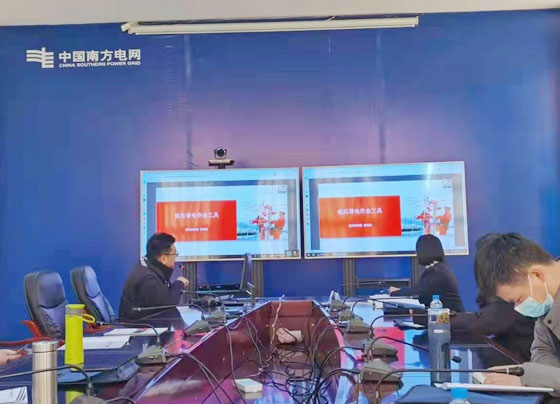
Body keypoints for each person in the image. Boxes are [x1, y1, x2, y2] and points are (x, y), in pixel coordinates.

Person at [473, 233, 560, 393]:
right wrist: (539, 376)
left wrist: (530, 377)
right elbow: (542, 351)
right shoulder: (547, 303)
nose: (518, 308)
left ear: (537, 275)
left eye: (518, 300)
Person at [119, 233, 189, 326]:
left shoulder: (149, 269)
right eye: (175, 254)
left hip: (151, 325)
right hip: (139, 329)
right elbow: (167, 303)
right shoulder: (147, 278)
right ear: (163, 258)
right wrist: (179, 283)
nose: (175, 259)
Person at [390, 234, 465, 313]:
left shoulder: (436, 272)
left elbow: (418, 292)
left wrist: (395, 292)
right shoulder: (441, 268)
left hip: (451, 318)